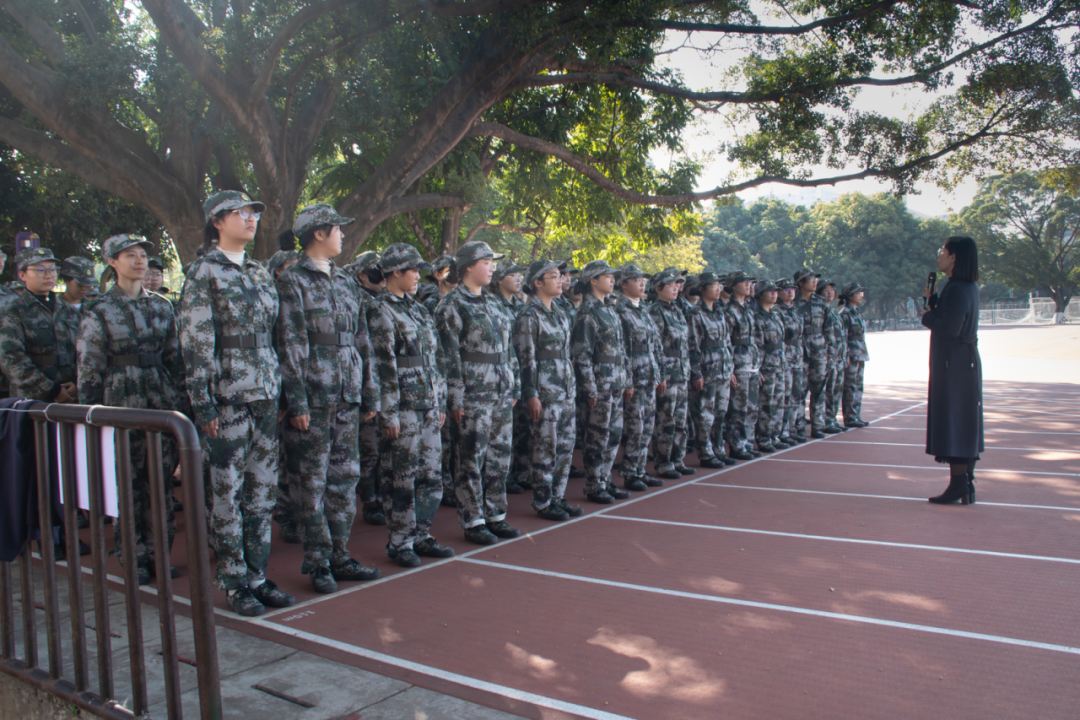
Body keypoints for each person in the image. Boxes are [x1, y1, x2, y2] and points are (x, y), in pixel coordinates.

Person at [179, 190, 295, 616]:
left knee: (262, 492)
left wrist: (282, 390)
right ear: (217, 221)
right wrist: (202, 403)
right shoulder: (203, 272)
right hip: (227, 397)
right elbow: (196, 341)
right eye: (240, 213)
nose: (250, 219)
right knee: (227, 494)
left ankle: (257, 576)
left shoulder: (260, 273)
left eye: (253, 213)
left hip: (265, 394)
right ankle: (234, 582)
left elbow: (275, 335)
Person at [274, 204, 382, 593]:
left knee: (344, 478)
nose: (343, 235)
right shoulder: (292, 281)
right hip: (314, 396)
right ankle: (317, 561)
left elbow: (362, 340)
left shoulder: (347, 282)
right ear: (319, 233)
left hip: (347, 394)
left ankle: (340, 554)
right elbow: (290, 344)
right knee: (311, 481)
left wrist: (369, 392)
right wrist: (297, 401)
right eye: (338, 229)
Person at [77, 234, 186, 584]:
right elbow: (89, 366)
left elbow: (175, 359)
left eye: (142, 255)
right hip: (119, 403)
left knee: (160, 485)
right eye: (130, 255)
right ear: (112, 262)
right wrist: (90, 416)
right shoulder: (98, 308)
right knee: (127, 485)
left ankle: (159, 554)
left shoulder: (162, 306)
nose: (140, 261)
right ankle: (133, 556)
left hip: (160, 402)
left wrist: (182, 404)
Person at [367, 243, 454, 566]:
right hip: (403, 406)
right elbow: (383, 365)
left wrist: (440, 402)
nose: (418, 275)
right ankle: (400, 541)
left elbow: (436, 359)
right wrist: (389, 412)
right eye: (413, 270)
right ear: (395, 272)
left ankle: (421, 534)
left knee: (430, 474)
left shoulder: (418, 310)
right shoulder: (380, 309)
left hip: (428, 405)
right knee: (401, 475)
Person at [436, 241, 522, 544]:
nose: (492, 268)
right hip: (473, 393)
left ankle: (495, 514)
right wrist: (455, 397)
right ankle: (473, 520)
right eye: (486, 262)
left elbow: (509, 348)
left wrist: (515, 383)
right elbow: (448, 356)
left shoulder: (494, 302)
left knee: (500, 456)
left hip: (500, 391)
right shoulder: (451, 305)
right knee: (471, 457)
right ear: (468, 266)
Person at [513, 259, 584, 519]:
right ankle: (543, 501)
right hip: (545, 391)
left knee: (565, 445)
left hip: (565, 389)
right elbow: (525, 357)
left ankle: (558, 496)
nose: (561, 280)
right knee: (545, 446)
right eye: (554, 276)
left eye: (560, 275)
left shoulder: (560, 311)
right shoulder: (528, 315)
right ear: (538, 283)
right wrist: (530, 393)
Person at [922, 236, 983, 505]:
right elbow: (953, 317)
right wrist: (935, 302)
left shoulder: (957, 288)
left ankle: (959, 484)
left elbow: (949, 328)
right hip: (962, 361)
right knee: (964, 420)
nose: (939, 256)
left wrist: (927, 316)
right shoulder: (965, 287)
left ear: (954, 257)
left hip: (954, 364)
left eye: (943, 251)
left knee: (955, 420)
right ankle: (965, 482)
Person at [572, 260, 631, 503]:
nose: (612, 280)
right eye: (607, 276)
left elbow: (621, 350)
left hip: (615, 381)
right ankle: (594, 484)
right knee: (597, 436)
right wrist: (589, 387)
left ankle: (605, 480)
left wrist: (626, 379)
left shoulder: (609, 309)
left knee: (614, 434)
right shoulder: (588, 312)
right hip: (600, 383)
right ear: (593, 280)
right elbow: (582, 354)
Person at [0, 248, 80, 403]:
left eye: (53, 270)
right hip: (32, 400)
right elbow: (11, 359)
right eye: (40, 270)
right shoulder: (12, 311)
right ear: (23, 275)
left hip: (70, 396)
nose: (49, 275)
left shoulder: (69, 311)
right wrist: (52, 390)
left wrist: (77, 382)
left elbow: (84, 352)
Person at [348, 251, 391, 523]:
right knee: (369, 448)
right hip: (368, 381)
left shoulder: (386, 300)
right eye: (375, 269)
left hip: (388, 380)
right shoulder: (358, 300)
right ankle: (369, 501)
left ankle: (382, 496)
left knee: (385, 446)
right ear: (361, 274)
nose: (381, 274)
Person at [614, 264, 665, 489]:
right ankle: (629, 472)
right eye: (637, 280)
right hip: (634, 376)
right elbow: (622, 349)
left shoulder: (643, 308)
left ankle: (640, 469)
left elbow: (655, 345)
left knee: (647, 425)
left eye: (643, 280)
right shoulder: (620, 310)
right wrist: (627, 379)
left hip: (648, 374)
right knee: (634, 426)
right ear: (623, 284)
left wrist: (659, 373)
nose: (642, 284)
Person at [687, 272, 736, 468]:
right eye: (714, 285)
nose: (718, 289)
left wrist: (730, 369)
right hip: (707, 370)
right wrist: (696, 372)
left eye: (719, 285)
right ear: (702, 289)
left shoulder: (719, 311)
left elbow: (727, 342)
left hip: (723, 369)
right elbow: (693, 345)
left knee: (721, 412)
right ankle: (706, 453)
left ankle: (718, 450)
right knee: (705, 413)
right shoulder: (695, 313)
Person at [649, 269, 694, 479]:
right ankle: (663, 462)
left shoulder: (677, 310)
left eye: (677, 285)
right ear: (658, 288)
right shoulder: (655, 311)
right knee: (665, 420)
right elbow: (655, 346)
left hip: (681, 372)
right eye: (671, 285)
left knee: (680, 420)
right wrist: (660, 374)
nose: (676, 288)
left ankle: (678, 459)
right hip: (667, 373)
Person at [724, 271, 761, 460]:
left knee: (752, 407)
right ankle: (737, 445)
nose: (748, 285)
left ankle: (747, 443)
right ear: (733, 285)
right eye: (744, 282)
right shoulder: (729, 310)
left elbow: (754, 339)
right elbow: (726, 342)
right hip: (739, 365)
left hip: (751, 364)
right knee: (739, 408)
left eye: (750, 282)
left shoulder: (748, 308)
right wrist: (730, 369)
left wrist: (758, 365)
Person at [793, 268, 832, 438]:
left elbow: (828, 328)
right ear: (801, 283)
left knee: (819, 390)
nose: (815, 282)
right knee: (799, 391)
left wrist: (831, 352)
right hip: (800, 352)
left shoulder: (821, 302)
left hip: (819, 351)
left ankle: (818, 426)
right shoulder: (793, 302)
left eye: (816, 280)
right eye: (811, 280)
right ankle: (799, 426)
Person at [753, 280, 787, 451]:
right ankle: (764, 438)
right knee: (766, 403)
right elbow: (757, 346)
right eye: (770, 291)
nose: (774, 294)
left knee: (778, 403)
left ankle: (774, 435)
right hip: (766, 366)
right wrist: (758, 368)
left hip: (779, 364)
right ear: (760, 294)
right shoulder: (757, 317)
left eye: (776, 291)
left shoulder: (775, 315)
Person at [817, 279, 848, 434]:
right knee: (827, 391)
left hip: (838, 357)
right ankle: (824, 421)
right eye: (826, 290)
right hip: (828, 356)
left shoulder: (834, 311)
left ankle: (832, 419)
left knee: (836, 391)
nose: (830, 293)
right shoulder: (820, 311)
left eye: (832, 290)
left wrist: (844, 354)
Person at [774, 278, 803, 445]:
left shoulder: (796, 311)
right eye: (786, 289)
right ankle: (782, 432)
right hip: (784, 356)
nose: (791, 291)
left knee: (796, 395)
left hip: (797, 356)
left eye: (793, 289)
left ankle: (792, 429)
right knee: (784, 396)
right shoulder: (776, 311)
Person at [839, 282, 869, 428]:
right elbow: (843, 337)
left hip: (860, 353)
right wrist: (845, 355)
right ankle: (850, 417)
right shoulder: (845, 313)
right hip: (851, 353)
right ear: (850, 296)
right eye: (858, 293)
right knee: (850, 387)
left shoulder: (857, 311)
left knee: (858, 386)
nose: (861, 295)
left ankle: (856, 415)